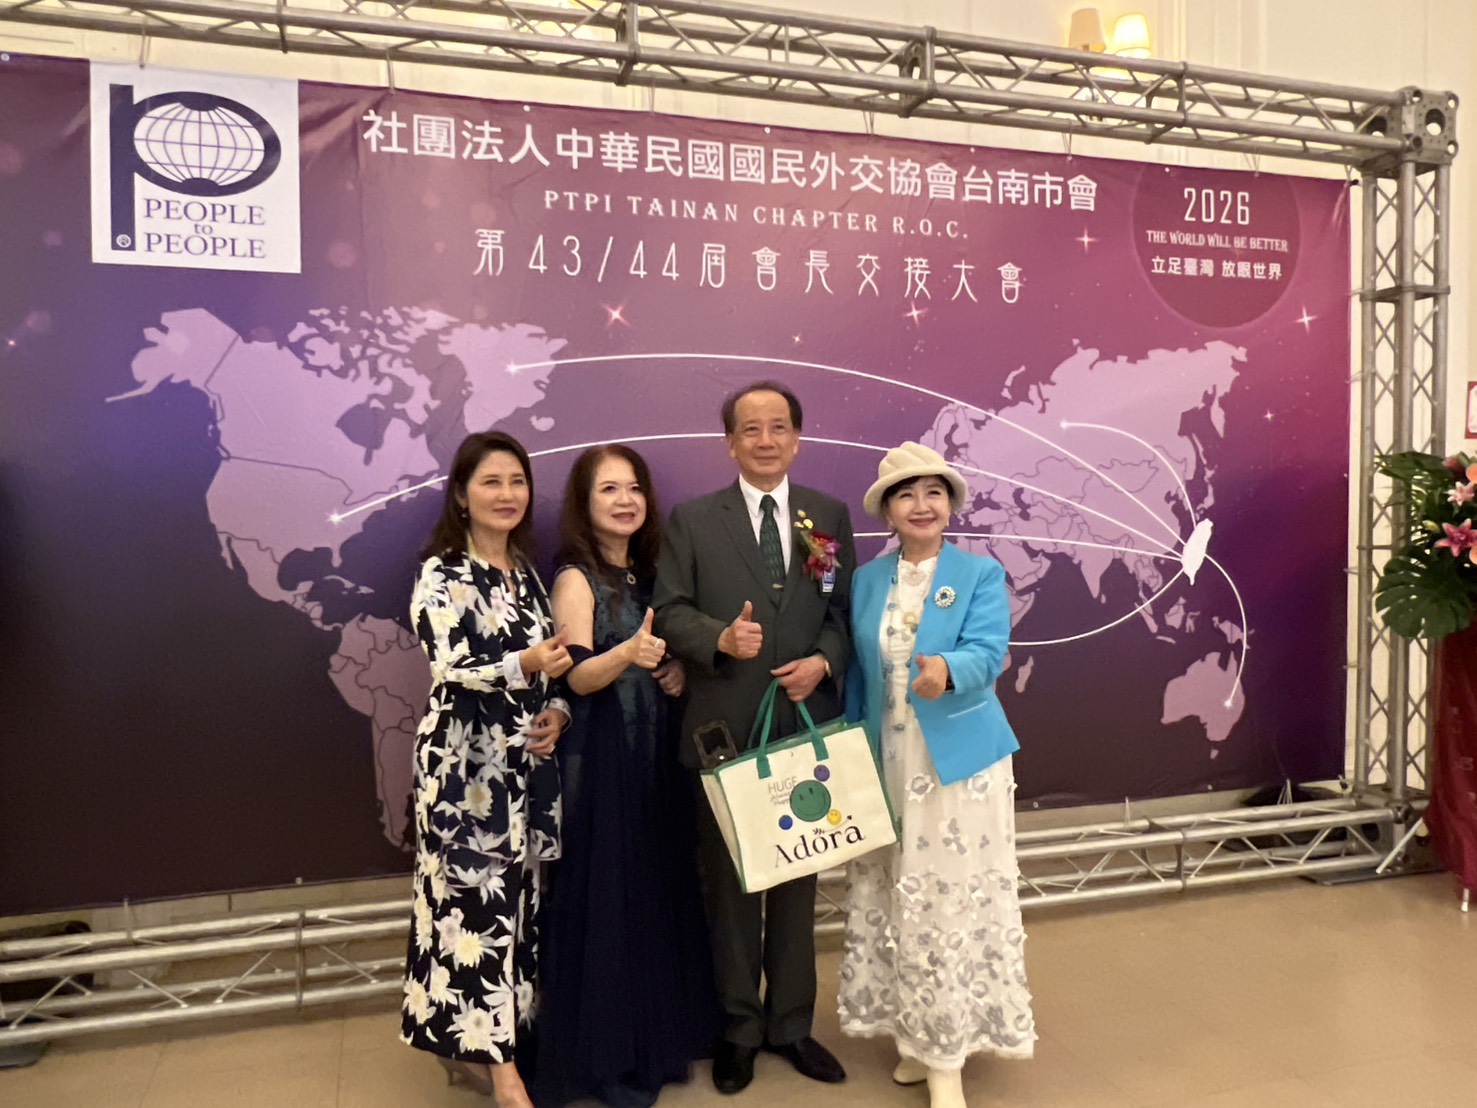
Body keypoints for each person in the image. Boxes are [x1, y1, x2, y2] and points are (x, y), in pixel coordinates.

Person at [653, 380, 855, 1095]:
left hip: (804, 726)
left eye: (778, 427)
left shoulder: (826, 515)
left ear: (796, 439)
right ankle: (738, 1027)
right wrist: (718, 638)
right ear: (730, 444)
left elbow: (842, 611)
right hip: (725, 732)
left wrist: (824, 660)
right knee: (733, 886)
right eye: (750, 429)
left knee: (800, 880)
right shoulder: (693, 520)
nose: (765, 440)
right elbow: (668, 610)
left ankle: (791, 1024)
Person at [839, 441, 1037, 1108]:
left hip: (956, 766)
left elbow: (989, 651)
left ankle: (946, 1054)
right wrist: (850, 753)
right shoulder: (867, 581)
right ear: (887, 511)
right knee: (897, 894)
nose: (920, 505)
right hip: (887, 757)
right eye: (906, 494)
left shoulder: (978, 573)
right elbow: (858, 673)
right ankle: (913, 1036)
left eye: (933, 492)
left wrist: (946, 670)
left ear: (949, 506)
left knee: (945, 900)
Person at [535, 445, 722, 1107]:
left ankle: (660, 1031)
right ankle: (609, 1053)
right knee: (607, 897)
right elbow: (577, 676)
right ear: (583, 504)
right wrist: (629, 654)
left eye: (633, 487)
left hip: (656, 753)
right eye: (608, 489)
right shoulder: (574, 577)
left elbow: (662, 655)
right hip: (602, 758)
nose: (625, 500)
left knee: (656, 885)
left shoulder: (651, 573)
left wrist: (671, 668)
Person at [400, 431, 573, 1107]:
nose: (507, 494)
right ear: (461, 495)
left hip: (525, 774)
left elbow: (552, 664)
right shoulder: (442, 573)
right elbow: (450, 666)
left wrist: (557, 709)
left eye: (517, 481)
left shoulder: (525, 573)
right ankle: (503, 1075)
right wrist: (524, 664)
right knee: (473, 910)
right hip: (464, 776)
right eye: (491, 482)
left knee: (517, 910)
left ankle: (490, 1048)